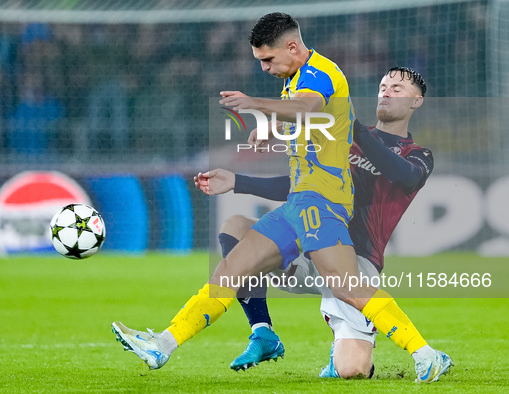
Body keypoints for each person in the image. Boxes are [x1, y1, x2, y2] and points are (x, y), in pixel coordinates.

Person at [111, 13, 448, 383]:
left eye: (268, 60)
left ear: (292, 47)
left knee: (351, 295)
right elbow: (304, 132)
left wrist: (253, 104)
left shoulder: (321, 73)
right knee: (230, 270)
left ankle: (425, 354)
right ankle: (163, 343)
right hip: (298, 206)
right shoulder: (295, 83)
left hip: (324, 207)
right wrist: (267, 136)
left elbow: (308, 109)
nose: (265, 68)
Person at [196, 67, 452, 381]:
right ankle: (263, 332)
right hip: (309, 249)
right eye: (383, 86)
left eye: (397, 89)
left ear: (417, 101)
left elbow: (405, 176)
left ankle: (349, 354)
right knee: (236, 226)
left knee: (352, 371)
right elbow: (301, 186)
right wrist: (238, 181)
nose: (386, 92)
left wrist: (354, 129)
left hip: (355, 262)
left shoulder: (417, 154)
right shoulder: (342, 138)